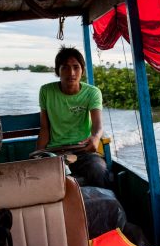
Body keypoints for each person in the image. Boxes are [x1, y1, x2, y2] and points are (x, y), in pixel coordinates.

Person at [36, 46, 110, 188]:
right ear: (57, 70)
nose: (71, 73)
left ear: (82, 70)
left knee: (98, 170)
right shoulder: (46, 91)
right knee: (42, 178)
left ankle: (100, 207)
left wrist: (95, 138)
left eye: (76, 67)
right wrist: (39, 155)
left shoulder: (92, 93)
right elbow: (44, 128)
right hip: (55, 152)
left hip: (83, 151)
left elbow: (97, 125)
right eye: (65, 67)